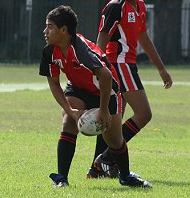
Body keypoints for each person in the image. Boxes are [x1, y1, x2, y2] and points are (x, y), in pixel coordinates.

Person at [39, 5, 152, 188]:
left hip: (105, 90)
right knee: (68, 121)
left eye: (49, 27)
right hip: (78, 88)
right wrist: (71, 111)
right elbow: (54, 84)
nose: (45, 31)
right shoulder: (49, 51)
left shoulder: (82, 51)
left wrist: (104, 109)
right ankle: (61, 179)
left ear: (64, 30)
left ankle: (125, 176)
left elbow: (106, 76)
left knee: (114, 140)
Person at [87, 0, 173, 178]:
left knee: (112, 121)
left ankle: (96, 169)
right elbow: (101, 41)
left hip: (128, 65)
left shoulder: (140, 6)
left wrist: (161, 68)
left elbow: (144, 38)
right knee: (144, 114)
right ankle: (106, 158)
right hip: (118, 65)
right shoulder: (116, 6)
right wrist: (98, 69)